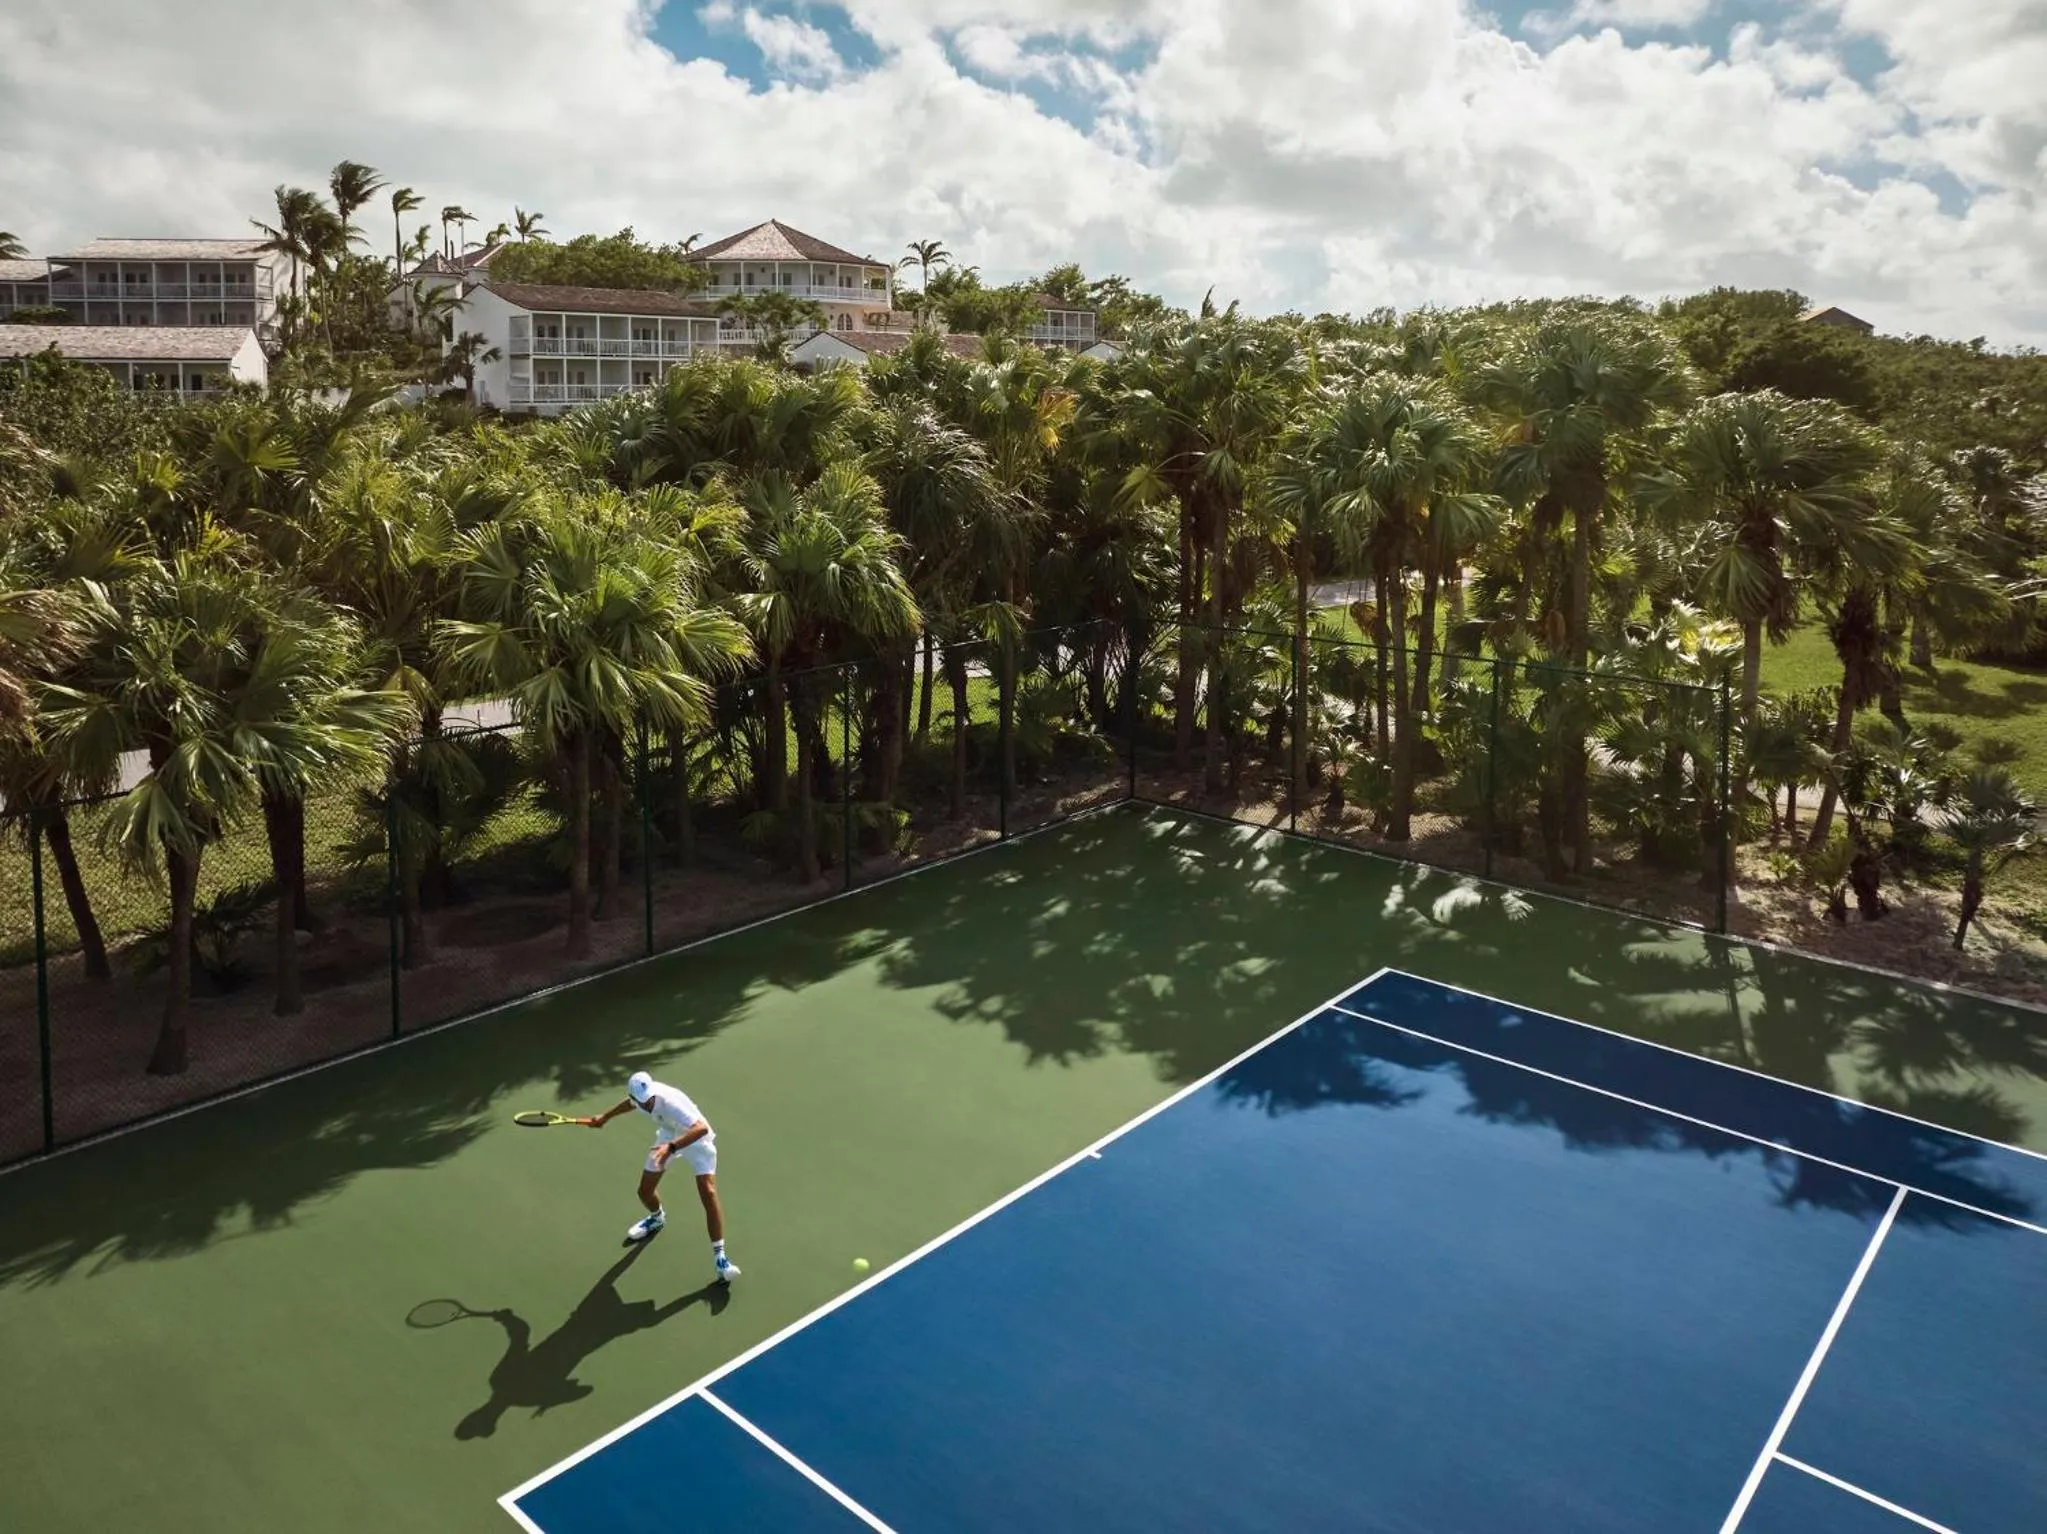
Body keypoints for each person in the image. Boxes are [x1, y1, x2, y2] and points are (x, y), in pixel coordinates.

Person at [580, 1071, 738, 1282]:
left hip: (696, 1140)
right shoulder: (639, 1099)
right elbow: (629, 1104)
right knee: (644, 1192)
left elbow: (701, 1128)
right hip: (668, 1136)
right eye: (643, 1102)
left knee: (708, 1193)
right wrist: (605, 1117)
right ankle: (657, 1218)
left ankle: (721, 1259)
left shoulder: (669, 1101)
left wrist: (671, 1148)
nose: (648, 1104)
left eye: (650, 1100)